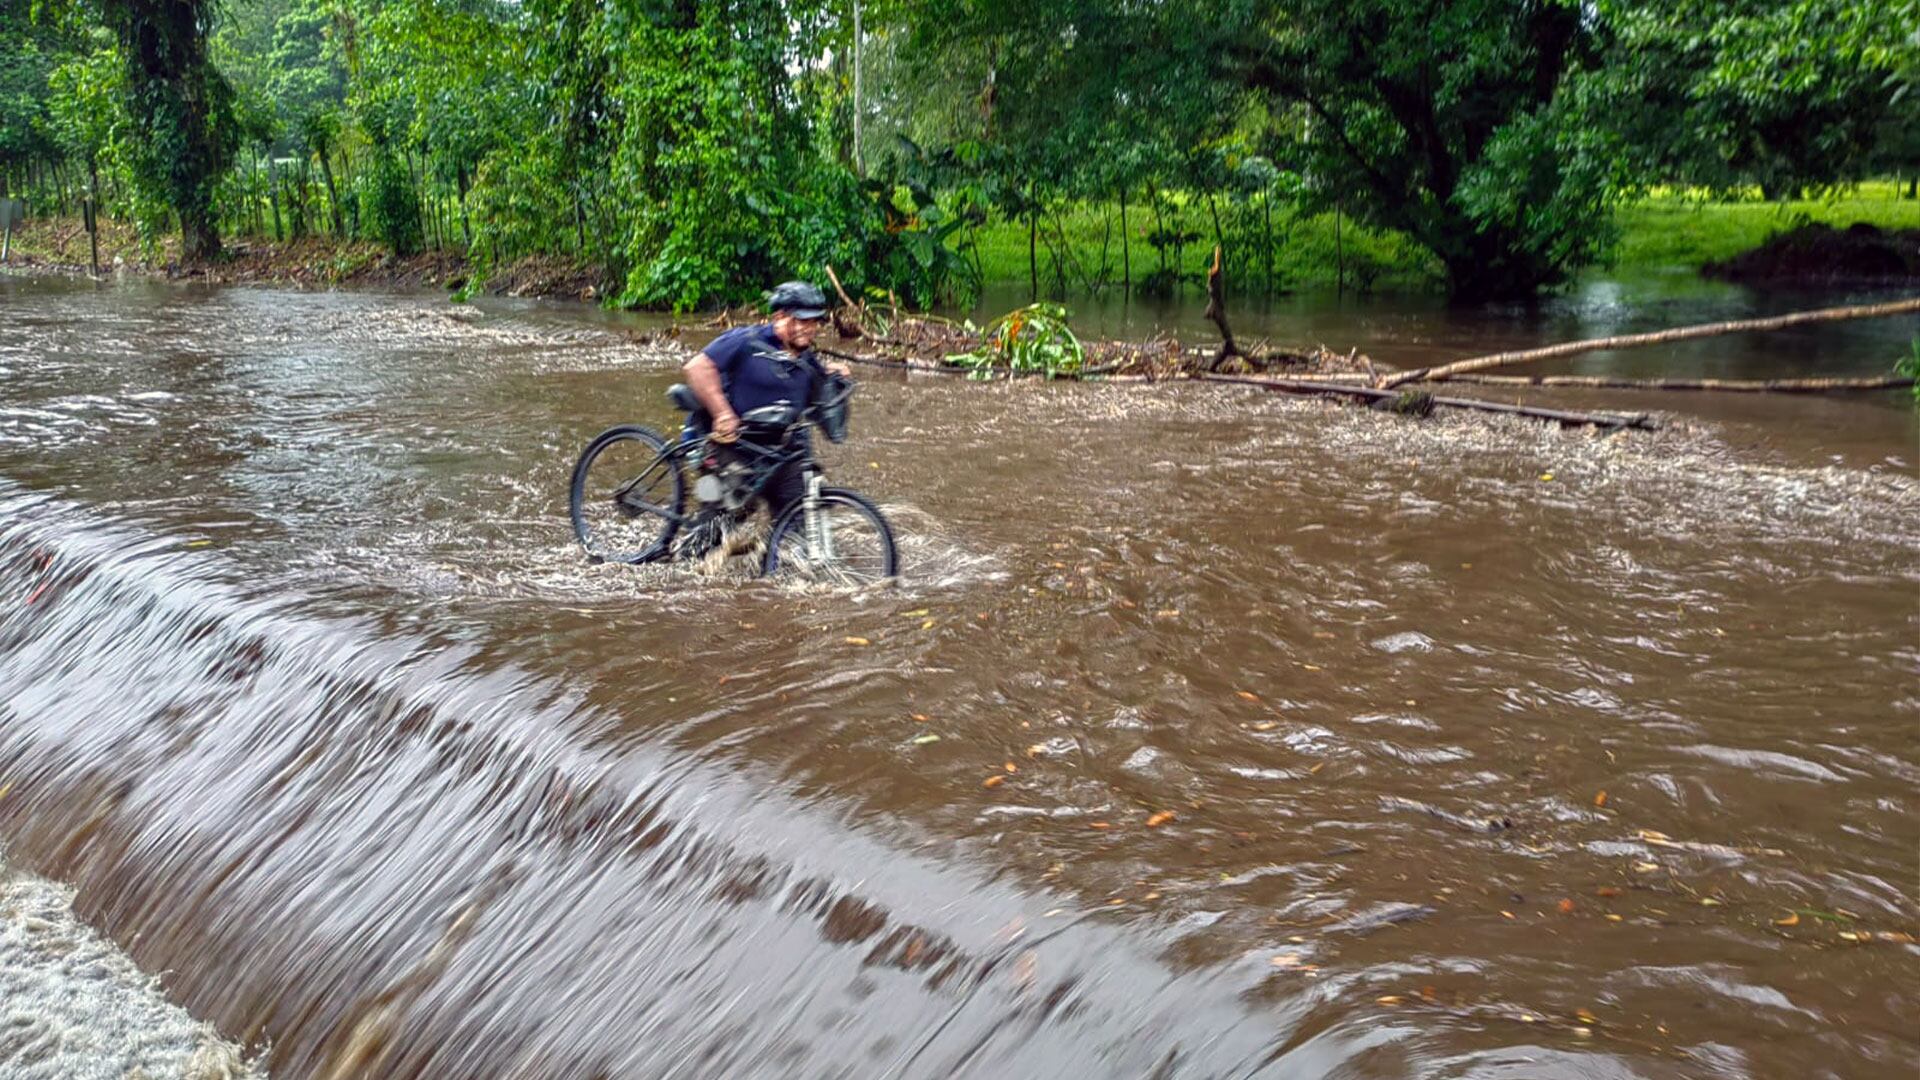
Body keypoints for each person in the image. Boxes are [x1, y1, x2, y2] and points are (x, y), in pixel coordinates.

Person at [680, 280, 852, 522]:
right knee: (718, 528)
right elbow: (697, 367)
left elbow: (820, 413)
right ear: (780, 316)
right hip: (727, 446)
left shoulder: (808, 362)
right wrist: (722, 413)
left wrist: (832, 377)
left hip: (775, 452)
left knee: (798, 523)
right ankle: (684, 553)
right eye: (802, 320)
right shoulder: (745, 341)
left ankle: (776, 556)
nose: (810, 327)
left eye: (814, 321)